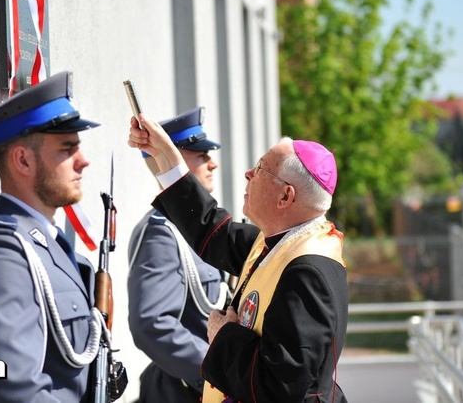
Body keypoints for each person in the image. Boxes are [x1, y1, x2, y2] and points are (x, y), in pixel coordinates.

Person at [127, 113, 348, 403]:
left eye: (261, 168)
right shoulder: (281, 240)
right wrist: (165, 156)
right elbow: (210, 229)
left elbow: (279, 387)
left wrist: (223, 337)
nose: (248, 173)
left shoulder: (308, 272)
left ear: (285, 197)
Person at [0, 71, 104, 402]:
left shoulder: (48, 244)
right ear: (23, 159)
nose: (84, 161)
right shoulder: (2, 249)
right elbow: (13, 388)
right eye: (67, 149)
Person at [127, 107, 230, 403]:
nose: (212, 164)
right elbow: (152, 324)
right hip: (185, 391)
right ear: (168, 160)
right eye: (201, 155)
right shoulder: (161, 234)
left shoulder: (194, 231)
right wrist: (216, 374)